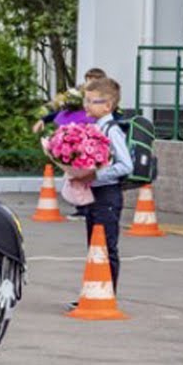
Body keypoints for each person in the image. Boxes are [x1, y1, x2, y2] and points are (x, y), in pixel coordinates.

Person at [64, 77, 132, 309]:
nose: (86, 105)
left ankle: (107, 292)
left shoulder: (112, 130)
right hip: (93, 195)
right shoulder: (93, 128)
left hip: (107, 195)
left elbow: (126, 165)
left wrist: (95, 176)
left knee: (106, 246)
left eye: (93, 101)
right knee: (94, 246)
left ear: (108, 105)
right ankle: (95, 289)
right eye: (86, 100)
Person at [32, 67, 107, 134]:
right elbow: (62, 106)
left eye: (94, 81)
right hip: (73, 126)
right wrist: (44, 119)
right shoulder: (78, 92)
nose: (89, 83)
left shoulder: (106, 98)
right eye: (88, 80)